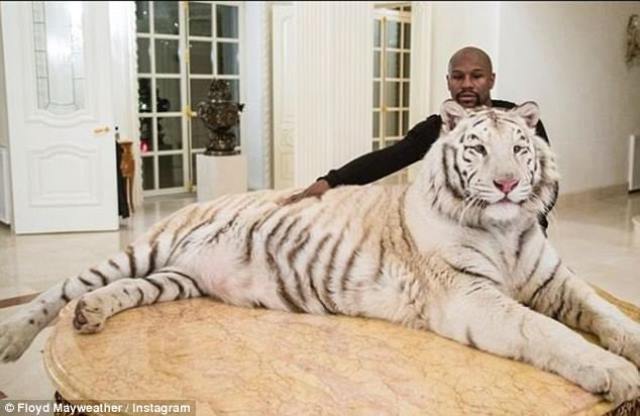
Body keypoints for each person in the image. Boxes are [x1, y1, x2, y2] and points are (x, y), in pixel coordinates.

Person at [285, 46, 556, 231]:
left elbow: (547, 182)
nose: (466, 84)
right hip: (467, 229)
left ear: (491, 80)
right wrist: (330, 181)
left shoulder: (517, 121)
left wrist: (523, 219)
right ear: (448, 81)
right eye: (458, 77)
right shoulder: (439, 128)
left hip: (519, 224)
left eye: (476, 76)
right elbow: (388, 158)